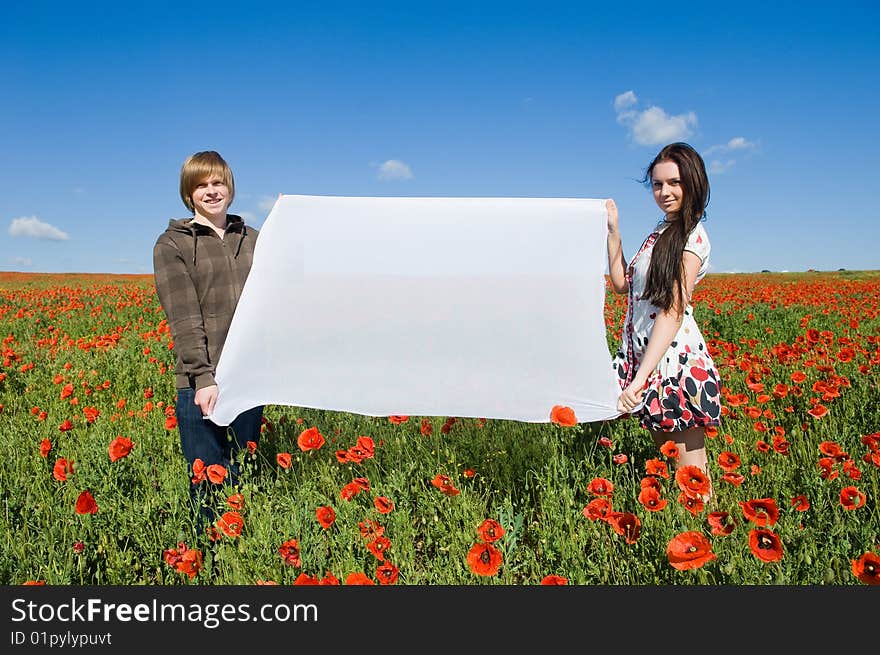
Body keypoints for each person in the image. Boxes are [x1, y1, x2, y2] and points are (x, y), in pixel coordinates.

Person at [153, 150, 264, 532]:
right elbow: (183, 318)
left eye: (218, 182)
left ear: (230, 187)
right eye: (201, 185)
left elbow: (288, 283)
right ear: (189, 194)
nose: (211, 191)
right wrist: (203, 378)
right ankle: (209, 564)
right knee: (208, 483)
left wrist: (288, 225)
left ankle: (245, 555)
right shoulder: (173, 245)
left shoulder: (253, 239)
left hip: (248, 378)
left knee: (243, 474)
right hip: (202, 383)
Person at [605, 142, 722, 496]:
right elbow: (622, 285)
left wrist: (639, 380)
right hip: (647, 361)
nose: (664, 191)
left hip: (674, 365)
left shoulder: (692, 237)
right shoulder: (658, 236)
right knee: (673, 468)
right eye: (657, 184)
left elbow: (672, 309)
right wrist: (614, 232)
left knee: (692, 479)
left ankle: (708, 543)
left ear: (693, 182)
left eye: (674, 182)